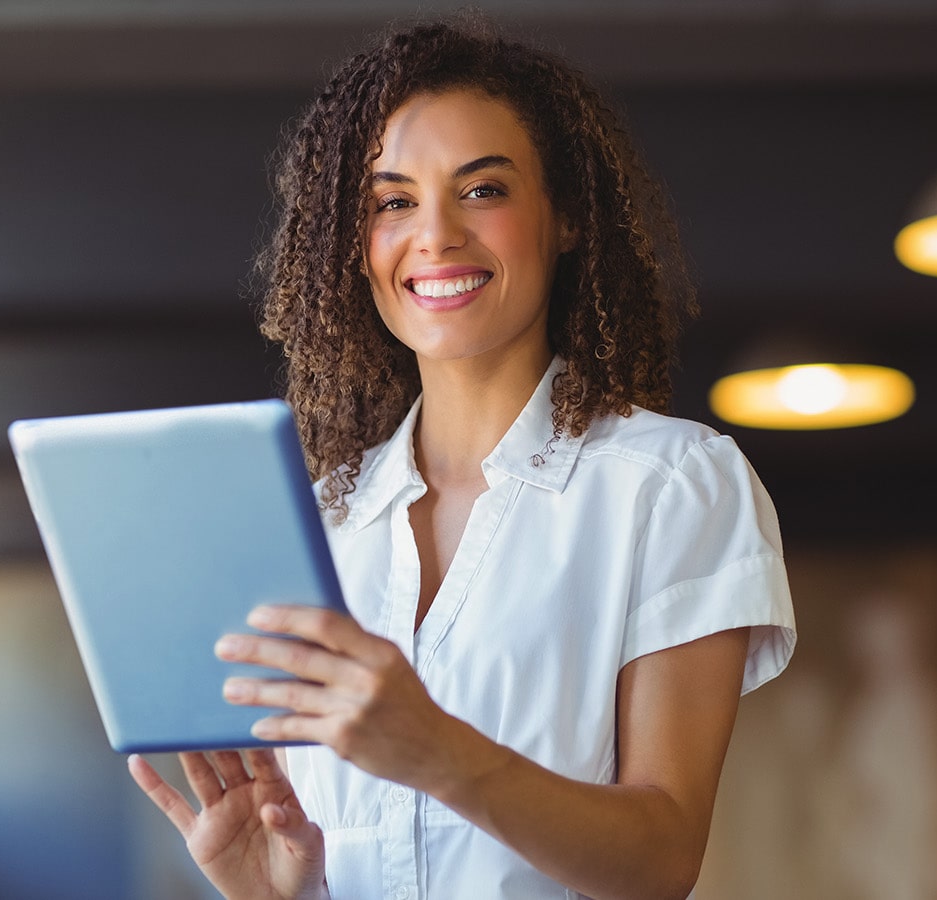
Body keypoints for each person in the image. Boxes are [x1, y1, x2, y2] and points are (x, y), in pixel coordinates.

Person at [129, 19, 795, 900]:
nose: (435, 235)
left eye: (482, 190)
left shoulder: (671, 486)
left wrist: (439, 751)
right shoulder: (316, 526)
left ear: (565, 218)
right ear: (352, 243)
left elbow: (661, 858)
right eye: (393, 201)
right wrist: (272, 892)